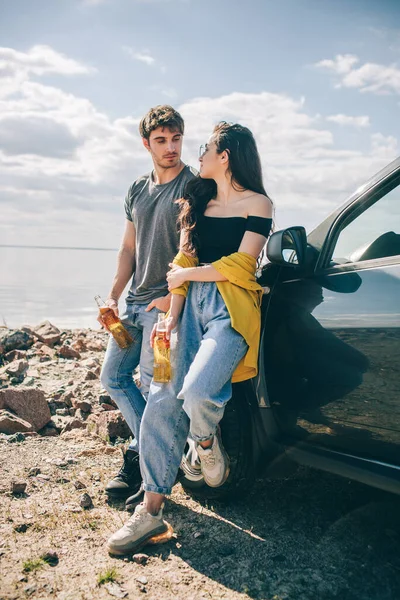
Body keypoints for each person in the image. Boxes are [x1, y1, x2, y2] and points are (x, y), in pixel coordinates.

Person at [107, 121, 273, 556]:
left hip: (229, 309)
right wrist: (171, 313)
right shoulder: (196, 200)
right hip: (187, 308)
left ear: (227, 156)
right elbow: (184, 257)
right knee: (162, 398)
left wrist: (186, 275)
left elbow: (242, 265)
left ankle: (203, 442)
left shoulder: (259, 203)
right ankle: (151, 511)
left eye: (206, 147)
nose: (196, 154)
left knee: (198, 393)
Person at [99, 105, 197, 510]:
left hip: (164, 309)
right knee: (113, 379)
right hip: (134, 305)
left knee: (151, 388)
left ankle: (144, 463)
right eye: (161, 140)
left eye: (176, 139)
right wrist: (113, 294)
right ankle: (150, 452)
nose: (171, 147)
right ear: (146, 144)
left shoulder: (193, 185)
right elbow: (128, 248)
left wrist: (172, 301)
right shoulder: (137, 189)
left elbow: (191, 250)